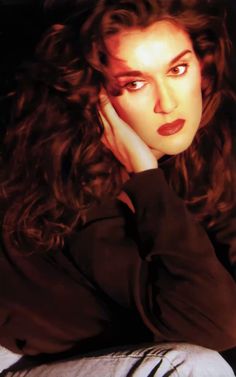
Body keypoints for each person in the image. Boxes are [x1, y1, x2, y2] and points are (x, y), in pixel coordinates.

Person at [0, 0, 236, 374]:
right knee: (194, 368)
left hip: (92, 352)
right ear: (97, 97)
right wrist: (145, 176)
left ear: (202, 67)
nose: (168, 103)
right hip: (15, 358)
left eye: (177, 69)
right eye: (135, 83)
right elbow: (214, 324)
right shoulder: (74, 176)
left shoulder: (207, 148)